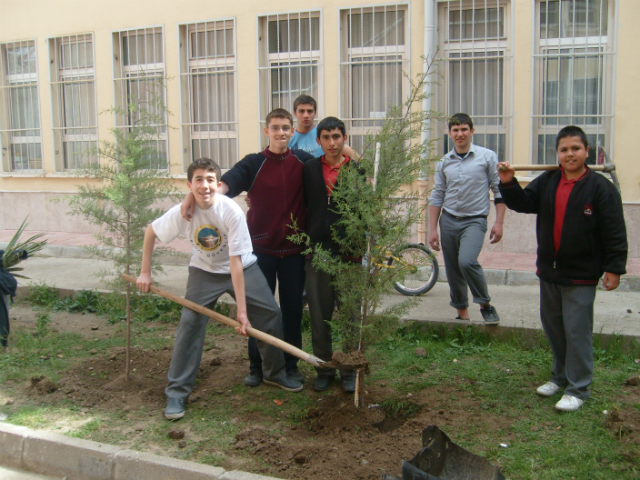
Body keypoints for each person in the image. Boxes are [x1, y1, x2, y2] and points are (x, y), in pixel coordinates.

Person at [136, 158, 303, 420]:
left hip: (243, 269)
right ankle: (177, 392)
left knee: (270, 314)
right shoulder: (183, 212)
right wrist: (145, 272)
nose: (205, 185)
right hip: (204, 272)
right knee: (190, 324)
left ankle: (274, 373)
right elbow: (150, 232)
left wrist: (243, 311)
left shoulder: (231, 211)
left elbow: (235, 262)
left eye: (210, 179)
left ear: (218, 183)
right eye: (199, 180)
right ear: (189, 185)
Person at [497, 125, 627, 412]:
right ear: (557, 154)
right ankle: (559, 377)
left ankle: (578, 389)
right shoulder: (548, 180)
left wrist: (614, 268)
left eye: (575, 149)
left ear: (586, 152)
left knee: (577, 331)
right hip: (550, 271)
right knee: (554, 327)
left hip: (581, 274)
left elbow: (615, 231)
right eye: (564, 149)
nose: (570, 154)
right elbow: (524, 203)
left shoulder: (600, 188)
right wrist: (508, 183)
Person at [181, 109, 312, 388]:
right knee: (258, 312)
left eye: (286, 128)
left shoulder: (304, 161)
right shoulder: (253, 163)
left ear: (292, 131)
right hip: (260, 251)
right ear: (267, 132)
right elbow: (222, 185)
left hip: (293, 252)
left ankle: (290, 365)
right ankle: (256, 367)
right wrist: (190, 195)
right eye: (275, 128)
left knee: (291, 311)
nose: (281, 133)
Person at [428, 113, 504, 324]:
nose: (460, 134)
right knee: (453, 269)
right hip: (449, 220)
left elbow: (499, 191)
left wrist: (499, 223)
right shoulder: (444, 162)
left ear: (472, 131)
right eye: (455, 130)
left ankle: (485, 304)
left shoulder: (487, 157)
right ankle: (462, 317)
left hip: (474, 220)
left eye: (464, 129)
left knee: (467, 262)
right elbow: (437, 195)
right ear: (450, 134)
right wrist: (432, 229)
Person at [303, 116, 361, 392]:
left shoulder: (357, 172)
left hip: (349, 254)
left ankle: (349, 368)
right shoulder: (310, 170)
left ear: (344, 139)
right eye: (326, 137)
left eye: (336, 136)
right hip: (318, 253)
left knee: (350, 312)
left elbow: (366, 212)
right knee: (319, 313)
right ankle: (324, 367)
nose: (332, 142)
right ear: (318, 141)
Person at [289, 94, 356, 160]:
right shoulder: (289, 138)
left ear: (315, 113)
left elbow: (356, 158)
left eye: (310, 111)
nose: (306, 115)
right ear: (295, 113)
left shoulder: (324, 133)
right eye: (301, 111)